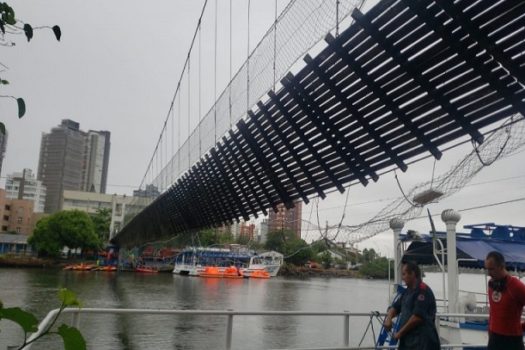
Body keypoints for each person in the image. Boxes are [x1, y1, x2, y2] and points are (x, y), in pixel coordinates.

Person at [383, 261, 440, 350]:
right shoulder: (407, 292)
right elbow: (394, 307)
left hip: (423, 343)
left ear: (412, 274)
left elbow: (417, 318)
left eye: (404, 274)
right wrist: (389, 319)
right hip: (408, 342)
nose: (402, 278)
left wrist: (399, 333)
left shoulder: (423, 291)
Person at [485, 251, 525, 350]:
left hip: (512, 341)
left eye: (491, 269)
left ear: (501, 266)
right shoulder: (491, 285)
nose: (489, 273)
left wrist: (522, 327)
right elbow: (492, 310)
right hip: (494, 339)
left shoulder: (516, 286)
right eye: (487, 269)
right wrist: (490, 329)